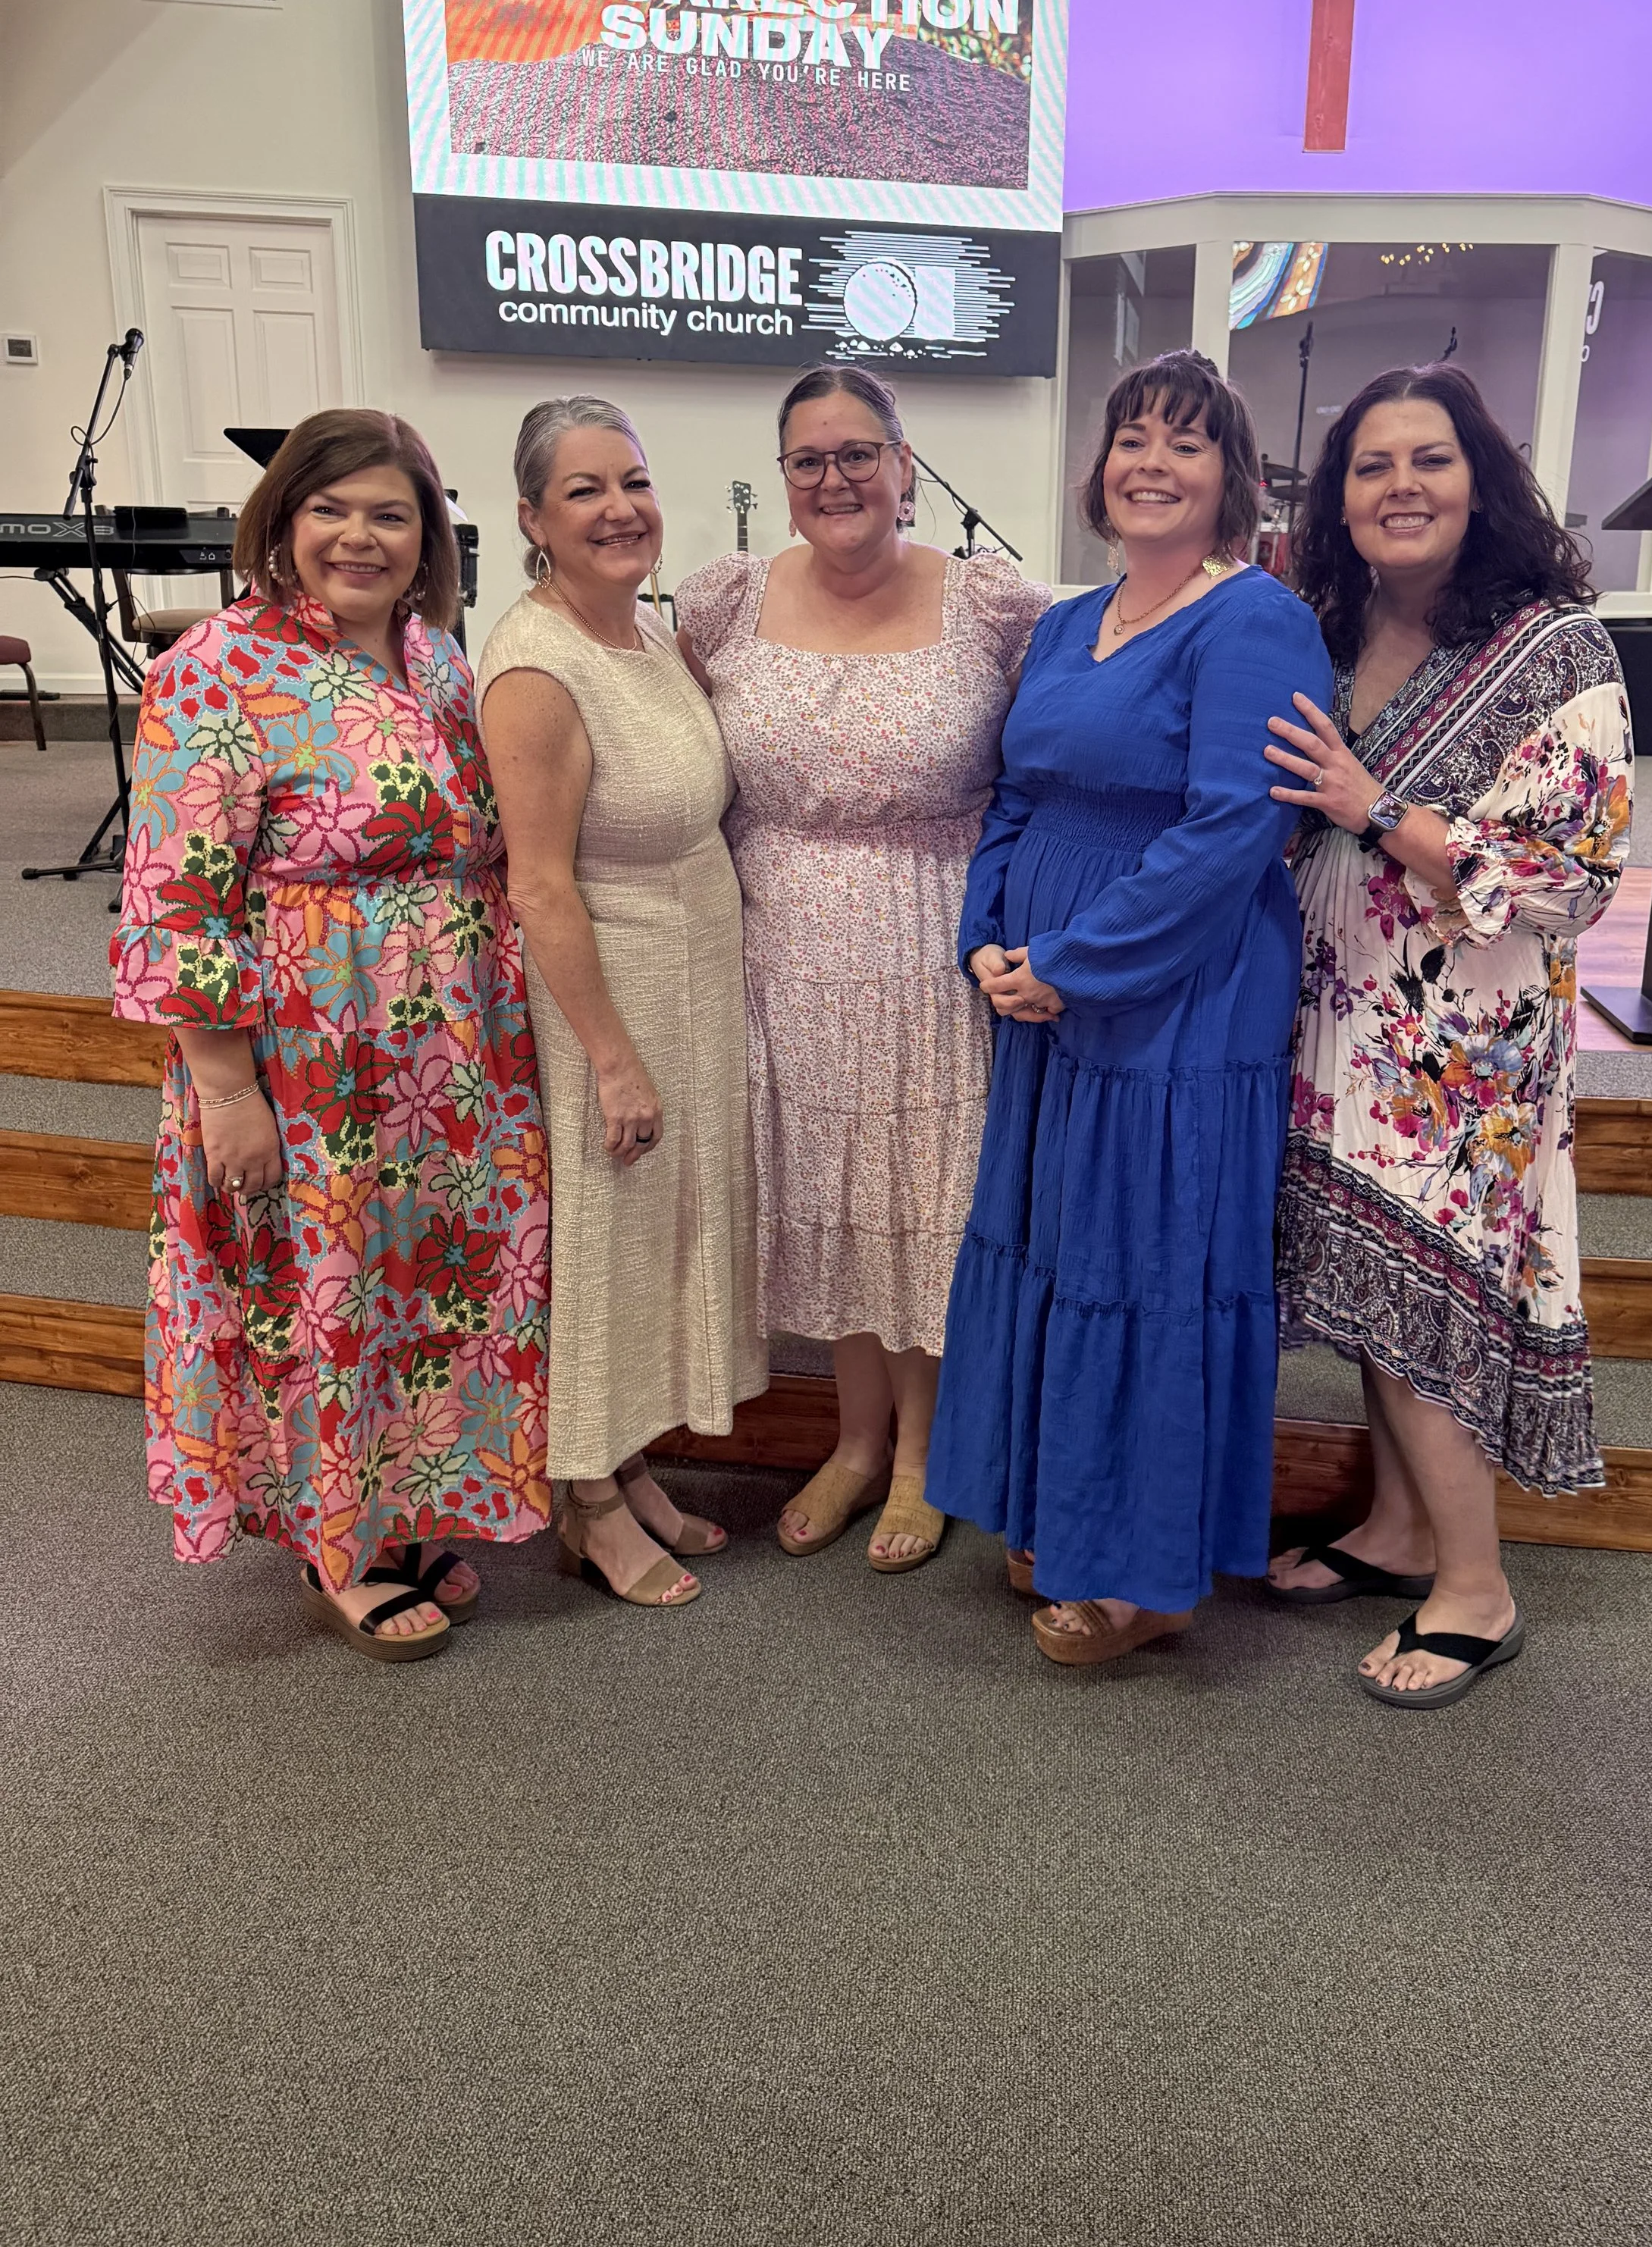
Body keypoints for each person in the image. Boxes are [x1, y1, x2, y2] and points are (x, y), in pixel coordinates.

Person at [111, 409, 550, 1662]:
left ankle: (404, 1505)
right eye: (333, 509)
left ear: (430, 539)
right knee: (321, 1291)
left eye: (391, 514)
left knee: (425, 1285)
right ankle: (335, 1541)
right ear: (284, 520)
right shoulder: (219, 664)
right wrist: (223, 1085)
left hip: (450, 1048)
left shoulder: (443, 661)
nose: (360, 536)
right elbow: (173, 892)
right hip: (307, 1050)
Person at [925, 348, 1333, 1665]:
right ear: (1099, 469)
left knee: (1147, 1264)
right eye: (1132, 438)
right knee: (1059, 1249)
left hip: (1176, 996)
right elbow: (1021, 795)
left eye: (1187, 443)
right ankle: (1065, 1507)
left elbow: (1237, 830)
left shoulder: (1255, 620)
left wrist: (1078, 961)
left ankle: (1148, 1572)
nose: (1152, 463)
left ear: (1233, 481)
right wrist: (992, 940)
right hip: (1046, 990)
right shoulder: (1062, 620)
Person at [1263, 362, 1632, 1708]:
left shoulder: (1554, 646)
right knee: (1371, 1283)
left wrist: (1380, 811)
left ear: (1482, 480)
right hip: (1333, 1008)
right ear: (1339, 501)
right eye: (1370, 467)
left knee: (1433, 1285)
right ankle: (1399, 1530)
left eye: (1428, 460)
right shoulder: (1333, 623)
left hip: (1459, 1045)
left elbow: (1572, 880)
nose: (1399, 487)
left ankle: (1477, 1586)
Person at [675, 365, 1049, 1572]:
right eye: (807, 460)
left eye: (857, 454)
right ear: (783, 480)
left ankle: (925, 1459)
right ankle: (852, 1440)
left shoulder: (992, 607)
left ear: (904, 464)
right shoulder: (721, 603)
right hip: (778, 941)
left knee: (920, 1196)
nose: (834, 478)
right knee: (830, 1188)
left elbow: (1069, 748)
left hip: (933, 941)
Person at [478, 396, 766, 1609]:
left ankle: (626, 1461)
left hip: (692, 963)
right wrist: (609, 1056)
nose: (619, 509)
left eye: (633, 481)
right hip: (605, 981)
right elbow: (538, 883)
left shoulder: (649, 632)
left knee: (658, 1234)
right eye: (584, 490)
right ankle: (584, 1499)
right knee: (603, 1239)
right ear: (534, 518)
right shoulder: (537, 666)